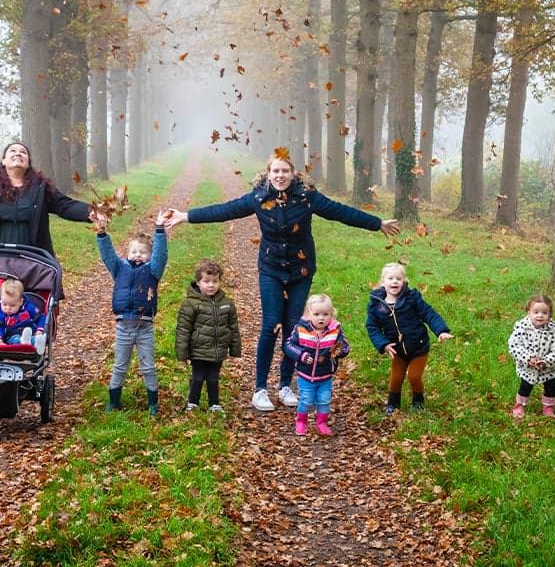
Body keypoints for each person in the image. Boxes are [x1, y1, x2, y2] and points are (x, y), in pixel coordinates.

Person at [164, 150, 399, 412]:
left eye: (285, 171)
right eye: (275, 171)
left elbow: (340, 212)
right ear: (268, 174)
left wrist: (376, 223)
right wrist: (186, 216)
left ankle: (285, 385)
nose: (280, 175)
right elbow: (225, 210)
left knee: (292, 327)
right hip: (271, 269)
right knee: (271, 325)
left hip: (300, 271)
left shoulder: (307, 197)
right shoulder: (258, 198)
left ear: (293, 173)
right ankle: (260, 389)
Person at [0, 142, 92, 257]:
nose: (18, 154)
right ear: (3, 160)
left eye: (23, 152)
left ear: (28, 163)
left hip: (33, 259)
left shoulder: (41, 188)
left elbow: (65, 206)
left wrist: (92, 212)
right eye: (13, 151)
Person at [96, 211, 168, 416]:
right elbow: (108, 254)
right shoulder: (119, 268)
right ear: (128, 253)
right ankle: (114, 401)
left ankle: (153, 403)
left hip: (144, 327)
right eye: (134, 251)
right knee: (119, 365)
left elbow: (161, 255)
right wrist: (101, 233)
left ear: (149, 255)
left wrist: (160, 231)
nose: (137, 255)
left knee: (148, 366)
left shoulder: (153, 270)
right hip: (123, 327)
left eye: (142, 252)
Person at [366, 262, 453, 414]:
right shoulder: (376, 305)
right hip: (396, 349)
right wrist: (383, 344)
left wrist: (441, 331)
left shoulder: (411, 299)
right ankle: (393, 405)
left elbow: (428, 313)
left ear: (404, 282)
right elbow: (372, 327)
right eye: (390, 278)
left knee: (414, 376)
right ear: (382, 282)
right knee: (396, 378)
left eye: (398, 279)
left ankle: (418, 402)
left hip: (418, 347)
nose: (394, 281)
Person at [175, 259, 242, 413]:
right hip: (198, 350)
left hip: (218, 350)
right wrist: (182, 353)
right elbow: (183, 329)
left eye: (215, 281)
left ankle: (215, 404)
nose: (211, 285)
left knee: (213, 378)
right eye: (206, 281)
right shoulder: (190, 304)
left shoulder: (227, 303)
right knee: (197, 377)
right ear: (198, 282)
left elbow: (233, 327)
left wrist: (235, 349)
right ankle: (193, 402)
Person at [283, 294, 350, 436]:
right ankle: (301, 421)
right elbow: (288, 345)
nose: (321, 318)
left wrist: (340, 351)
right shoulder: (301, 329)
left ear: (331, 314)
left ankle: (321, 423)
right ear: (309, 314)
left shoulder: (335, 330)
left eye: (326, 314)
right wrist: (302, 355)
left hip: (325, 376)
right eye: (317, 314)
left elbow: (345, 346)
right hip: (306, 376)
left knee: (324, 401)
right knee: (306, 400)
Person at [508, 294, 555, 420]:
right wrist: (528, 358)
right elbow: (514, 346)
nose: (540, 315)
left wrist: (546, 361)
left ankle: (548, 409)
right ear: (528, 312)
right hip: (528, 367)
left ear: (550, 315)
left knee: (551, 386)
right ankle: (519, 406)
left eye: (544, 313)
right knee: (525, 386)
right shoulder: (521, 327)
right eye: (536, 312)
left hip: (548, 368)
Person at [0, 278, 46, 351]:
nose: (7, 308)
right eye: (4, 304)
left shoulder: (28, 308)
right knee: (15, 340)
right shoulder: (0, 313)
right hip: (12, 336)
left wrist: (39, 330)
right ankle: (24, 342)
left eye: (12, 305)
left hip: (31, 332)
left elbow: (41, 317)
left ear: (20, 302)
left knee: (34, 338)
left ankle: (38, 344)